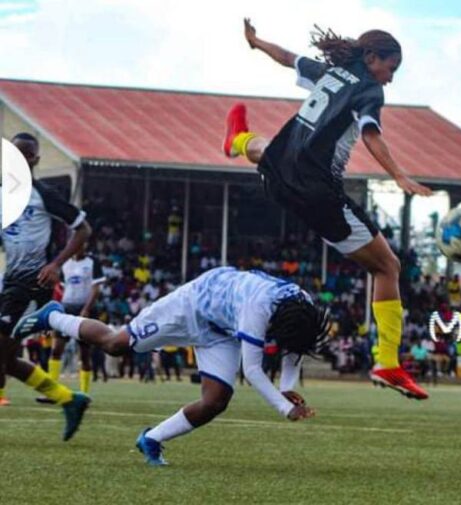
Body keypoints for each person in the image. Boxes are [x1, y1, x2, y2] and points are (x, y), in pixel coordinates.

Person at [223, 19, 432, 400]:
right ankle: (387, 361)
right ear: (372, 58)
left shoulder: (332, 73)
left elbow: (289, 58)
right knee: (388, 267)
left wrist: (255, 42)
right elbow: (371, 134)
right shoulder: (368, 90)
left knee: (267, 149)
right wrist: (400, 176)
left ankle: (238, 140)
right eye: (390, 68)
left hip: (281, 175)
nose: (390, 78)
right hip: (316, 190)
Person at [14, 267, 328, 465]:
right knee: (116, 344)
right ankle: (52, 316)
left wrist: (288, 386)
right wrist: (286, 409)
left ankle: (151, 439)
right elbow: (253, 371)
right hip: (191, 307)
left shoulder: (304, 307)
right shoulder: (258, 309)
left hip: (221, 328)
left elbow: (295, 346)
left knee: (215, 401)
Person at [0, 132, 91, 439]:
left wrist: (56, 264)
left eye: (27, 154)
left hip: (33, 284)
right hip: (11, 282)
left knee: (2, 354)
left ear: (35, 160)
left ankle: (69, 399)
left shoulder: (43, 195)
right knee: (7, 360)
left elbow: (82, 229)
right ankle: (69, 399)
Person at [38, 241, 105, 403]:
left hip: (85, 309)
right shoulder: (65, 264)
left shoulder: (92, 262)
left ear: (84, 246)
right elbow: (59, 289)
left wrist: (87, 308)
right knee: (56, 350)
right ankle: (52, 392)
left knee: (84, 353)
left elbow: (96, 289)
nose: (78, 248)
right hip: (66, 308)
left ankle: (84, 394)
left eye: (81, 245)